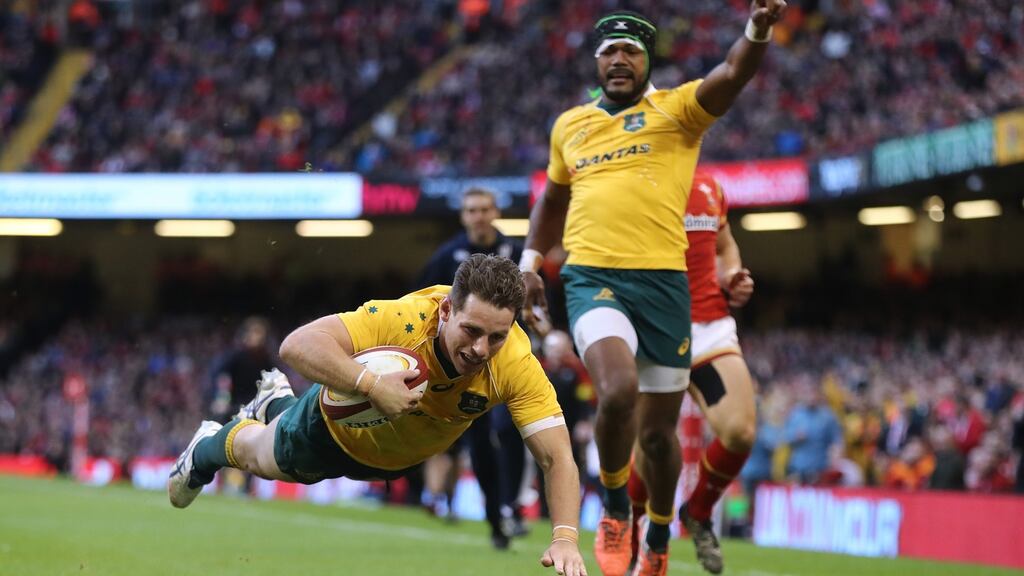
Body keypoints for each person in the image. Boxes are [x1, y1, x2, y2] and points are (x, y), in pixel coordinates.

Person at [520, 5, 785, 576]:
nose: (619, 59)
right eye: (609, 51)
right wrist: (529, 262)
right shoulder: (570, 125)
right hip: (594, 279)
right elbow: (552, 201)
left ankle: (659, 538)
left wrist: (757, 28)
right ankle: (616, 509)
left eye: (631, 51)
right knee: (615, 392)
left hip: (666, 289)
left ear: (647, 61)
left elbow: (733, 73)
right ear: (596, 62)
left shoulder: (677, 112)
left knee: (662, 439)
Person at [168, 254, 588, 576]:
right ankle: (203, 451)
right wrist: (370, 385)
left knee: (277, 439)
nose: (481, 349)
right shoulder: (403, 320)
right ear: (445, 311)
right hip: (333, 433)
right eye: (471, 331)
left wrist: (566, 538)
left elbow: (557, 457)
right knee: (261, 457)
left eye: (496, 336)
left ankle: (275, 400)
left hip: (398, 457)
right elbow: (297, 345)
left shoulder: (516, 363)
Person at [626, 174, 758, 574]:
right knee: (652, 441)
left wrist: (732, 274)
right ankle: (631, 529)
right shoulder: (631, 180)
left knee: (740, 431)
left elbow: (725, 244)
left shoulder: (709, 187)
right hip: (653, 328)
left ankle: (698, 512)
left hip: (708, 327)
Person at [416, 187, 527, 549]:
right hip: (459, 369)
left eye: (484, 208)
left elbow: (538, 303)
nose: (479, 215)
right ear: (464, 216)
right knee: (473, 442)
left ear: (495, 211)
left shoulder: (518, 253)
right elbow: (421, 304)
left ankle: (507, 510)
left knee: (509, 436)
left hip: (507, 364)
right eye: (471, 210)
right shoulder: (447, 256)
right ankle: (477, 513)